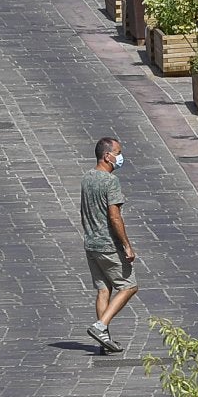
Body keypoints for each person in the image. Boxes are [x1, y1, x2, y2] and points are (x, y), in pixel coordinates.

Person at [81, 137, 138, 353]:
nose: (120, 157)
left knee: (103, 290)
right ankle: (100, 326)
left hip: (91, 243)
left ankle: (103, 339)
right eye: (118, 152)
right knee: (129, 286)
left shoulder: (87, 178)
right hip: (108, 245)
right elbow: (114, 216)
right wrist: (127, 245)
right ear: (107, 156)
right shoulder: (110, 182)